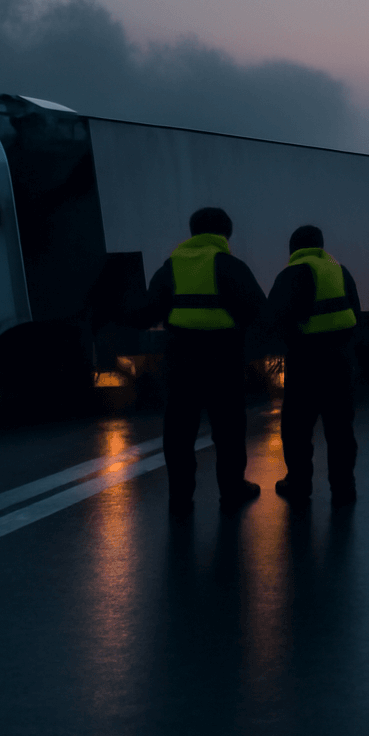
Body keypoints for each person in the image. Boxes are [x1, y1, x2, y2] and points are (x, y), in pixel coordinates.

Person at [139, 207, 267, 514]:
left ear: (193, 232)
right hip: (223, 359)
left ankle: (180, 499)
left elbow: (148, 313)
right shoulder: (231, 266)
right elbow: (258, 312)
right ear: (227, 233)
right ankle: (233, 491)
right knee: (229, 430)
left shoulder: (170, 268)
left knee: (180, 431)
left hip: (180, 360)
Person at [267, 225, 361, 506]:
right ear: (320, 246)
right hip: (341, 361)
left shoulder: (291, 274)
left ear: (293, 249)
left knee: (297, 428)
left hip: (305, 363)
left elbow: (272, 319)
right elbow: (355, 314)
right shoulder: (340, 272)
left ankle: (299, 484)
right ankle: (344, 488)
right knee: (341, 429)